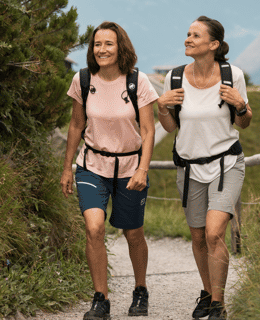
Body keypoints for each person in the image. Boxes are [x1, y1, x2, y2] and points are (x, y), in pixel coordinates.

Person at [156, 16, 252, 320]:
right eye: (187, 34)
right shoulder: (174, 78)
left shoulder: (231, 74)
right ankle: (208, 292)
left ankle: (218, 305)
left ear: (213, 44)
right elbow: (171, 127)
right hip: (189, 168)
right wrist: (161, 107)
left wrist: (240, 104)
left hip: (227, 164)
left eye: (195, 35)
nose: (188, 39)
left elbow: (244, 122)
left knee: (213, 234)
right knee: (197, 237)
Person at [61, 21, 159, 319]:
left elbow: (148, 129)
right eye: (97, 44)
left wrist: (143, 168)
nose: (102, 49)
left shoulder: (137, 82)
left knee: (132, 233)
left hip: (130, 166)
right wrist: (67, 169)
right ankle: (100, 299)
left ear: (121, 48)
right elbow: (77, 125)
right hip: (91, 166)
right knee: (94, 227)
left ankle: (140, 290)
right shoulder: (82, 80)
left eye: (108, 44)